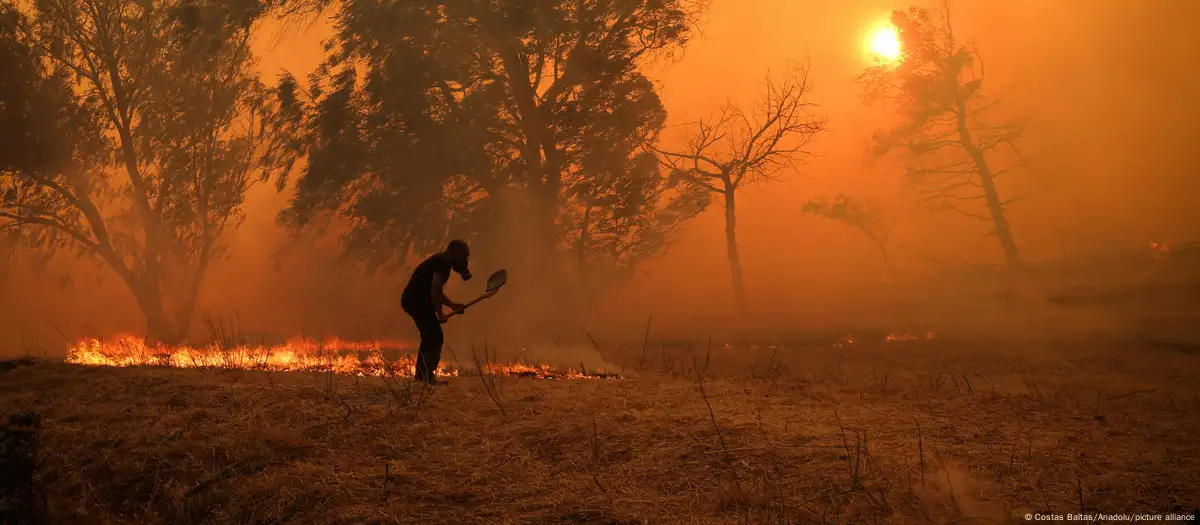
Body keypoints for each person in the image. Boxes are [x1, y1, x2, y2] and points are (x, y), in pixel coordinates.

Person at [401, 239, 472, 385]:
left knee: (431, 336)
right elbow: (435, 289)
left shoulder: (442, 260)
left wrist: (452, 305)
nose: (465, 260)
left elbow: (436, 291)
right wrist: (440, 314)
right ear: (456, 253)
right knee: (433, 336)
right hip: (416, 301)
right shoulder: (444, 262)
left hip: (416, 301)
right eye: (464, 256)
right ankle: (424, 377)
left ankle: (423, 376)